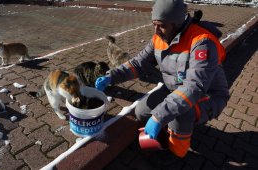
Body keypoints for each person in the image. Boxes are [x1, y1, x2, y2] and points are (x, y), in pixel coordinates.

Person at [95, 0, 230, 160]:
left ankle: (176, 153)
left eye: (162, 25)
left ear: (177, 23)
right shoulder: (159, 38)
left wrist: (159, 116)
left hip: (207, 95)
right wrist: (111, 76)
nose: (156, 30)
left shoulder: (202, 42)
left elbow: (194, 87)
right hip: (174, 89)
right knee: (142, 112)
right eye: (154, 24)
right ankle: (168, 129)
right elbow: (138, 64)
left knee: (181, 114)